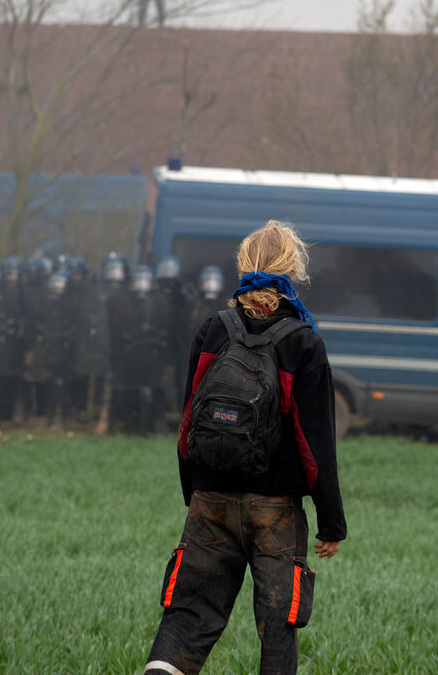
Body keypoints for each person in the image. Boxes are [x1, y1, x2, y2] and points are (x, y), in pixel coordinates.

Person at [143, 220, 347, 675]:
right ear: (293, 270)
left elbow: (188, 420)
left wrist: (196, 493)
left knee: (188, 616)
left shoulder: (212, 330)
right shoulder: (304, 343)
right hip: (275, 510)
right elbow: (316, 444)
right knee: (277, 627)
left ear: (243, 265)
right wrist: (331, 522)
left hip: (210, 500)